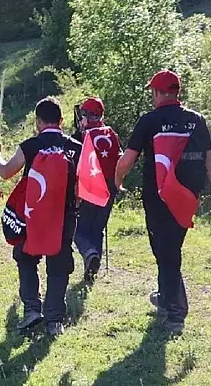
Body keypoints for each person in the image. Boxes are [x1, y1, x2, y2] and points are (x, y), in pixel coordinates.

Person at [115, 69, 211, 335]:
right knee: (168, 249)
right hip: (188, 197)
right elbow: (210, 160)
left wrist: (116, 180)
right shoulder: (196, 120)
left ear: (157, 93)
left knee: (167, 252)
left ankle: (175, 313)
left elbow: (128, 160)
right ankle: (166, 297)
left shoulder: (149, 121)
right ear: (177, 92)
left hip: (159, 198)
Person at [0, 97, 82, 336]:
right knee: (59, 264)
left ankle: (32, 308)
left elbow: (6, 172)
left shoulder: (30, 145)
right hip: (64, 215)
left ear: (37, 122)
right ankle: (54, 321)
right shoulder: (75, 147)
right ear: (61, 121)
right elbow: (84, 185)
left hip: (33, 214)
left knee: (27, 257)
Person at [71, 97, 122, 282]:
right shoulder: (111, 133)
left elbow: (77, 165)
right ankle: (92, 268)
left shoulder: (83, 137)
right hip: (110, 187)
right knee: (97, 228)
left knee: (79, 229)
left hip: (90, 186)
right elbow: (121, 158)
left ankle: (89, 254)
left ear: (86, 115)